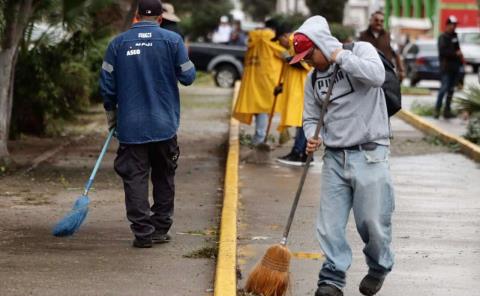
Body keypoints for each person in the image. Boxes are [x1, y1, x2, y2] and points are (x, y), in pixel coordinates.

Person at [290, 16, 395, 296]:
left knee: (372, 221)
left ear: (322, 44)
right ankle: (332, 279)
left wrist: (340, 56)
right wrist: (314, 134)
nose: (307, 62)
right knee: (330, 224)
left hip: (370, 151)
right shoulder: (313, 78)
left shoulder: (360, 51)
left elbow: (376, 76)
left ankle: (378, 266)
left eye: (309, 54)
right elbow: (311, 116)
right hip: (335, 158)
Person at [99, 0, 196, 248]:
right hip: (164, 125)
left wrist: (112, 117)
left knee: (135, 178)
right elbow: (188, 76)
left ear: (137, 16)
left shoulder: (117, 44)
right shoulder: (172, 41)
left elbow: (107, 86)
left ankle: (142, 233)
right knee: (164, 176)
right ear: (160, 19)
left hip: (131, 127)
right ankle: (160, 228)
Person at [233, 19, 287, 145]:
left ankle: (258, 138)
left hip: (252, 81)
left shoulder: (253, 38)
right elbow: (283, 54)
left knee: (259, 110)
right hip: (267, 82)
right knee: (263, 109)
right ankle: (258, 141)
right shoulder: (270, 38)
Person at [270, 22, 312, 166]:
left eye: (279, 40)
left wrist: (288, 58)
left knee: (301, 121)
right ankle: (305, 154)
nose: (280, 44)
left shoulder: (295, 41)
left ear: (285, 36)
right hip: (296, 87)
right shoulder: (289, 47)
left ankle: (299, 152)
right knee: (301, 120)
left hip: (302, 88)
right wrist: (281, 85)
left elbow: (306, 61)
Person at [359, 11, 405, 82]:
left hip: (386, 73)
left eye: (382, 21)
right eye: (376, 20)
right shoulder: (362, 36)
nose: (379, 23)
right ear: (370, 21)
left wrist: (401, 70)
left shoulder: (390, 37)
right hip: (367, 73)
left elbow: (396, 53)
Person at [435, 15, 463, 119]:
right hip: (446, 68)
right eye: (452, 25)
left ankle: (447, 111)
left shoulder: (455, 36)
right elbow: (443, 52)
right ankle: (437, 111)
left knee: (451, 90)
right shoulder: (443, 37)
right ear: (447, 25)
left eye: (455, 25)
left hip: (455, 67)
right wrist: (456, 54)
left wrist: (460, 57)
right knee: (444, 89)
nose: (454, 27)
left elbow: (458, 49)